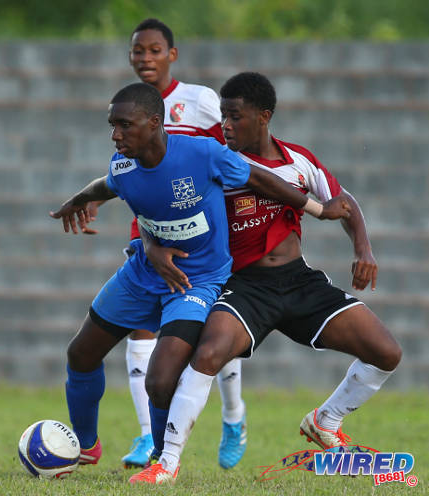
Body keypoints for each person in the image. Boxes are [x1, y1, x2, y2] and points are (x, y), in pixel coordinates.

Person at [49, 82, 350, 472]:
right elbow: (109, 188)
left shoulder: (201, 153)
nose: (115, 134)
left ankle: (161, 460)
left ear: (155, 123)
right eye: (112, 125)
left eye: (124, 124)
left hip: (197, 282)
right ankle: (85, 447)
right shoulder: (122, 165)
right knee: (80, 353)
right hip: (142, 273)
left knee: (160, 380)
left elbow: (259, 179)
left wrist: (317, 209)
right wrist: (80, 200)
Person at [128, 72, 401, 484]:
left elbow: (342, 202)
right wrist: (149, 244)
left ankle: (325, 421)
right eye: (222, 116)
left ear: (264, 117)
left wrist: (363, 248)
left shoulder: (298, 161)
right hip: (244, 286)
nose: (226, 125)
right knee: (208, 355)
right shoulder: (214, 160)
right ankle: (166, 465)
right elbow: (158, 197)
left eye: (235, 116)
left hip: (299, 282)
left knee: (387, 352)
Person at [86, 18, 248, 470]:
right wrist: (145, 239)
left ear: (171, 55)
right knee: (141, 329)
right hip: (152, 227)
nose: (145, 59)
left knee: (216, 333)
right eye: (137, 51)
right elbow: (118, 180)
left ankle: (233, 415)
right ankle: (146, 438)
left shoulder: (198, 101)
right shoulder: (127, 108)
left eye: (154, 50)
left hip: (206, 227)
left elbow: (229, 153)